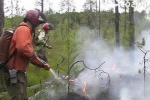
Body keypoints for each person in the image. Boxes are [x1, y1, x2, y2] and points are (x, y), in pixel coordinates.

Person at [4, 9, 51, 100]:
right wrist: (34, 54)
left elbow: (28, 55)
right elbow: (23, 48)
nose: (38, 27)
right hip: (14, 74)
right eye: (38, 24)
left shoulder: (27, 31)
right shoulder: (23, 29)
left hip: (19, 75)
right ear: (35, 21)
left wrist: (42, 64)